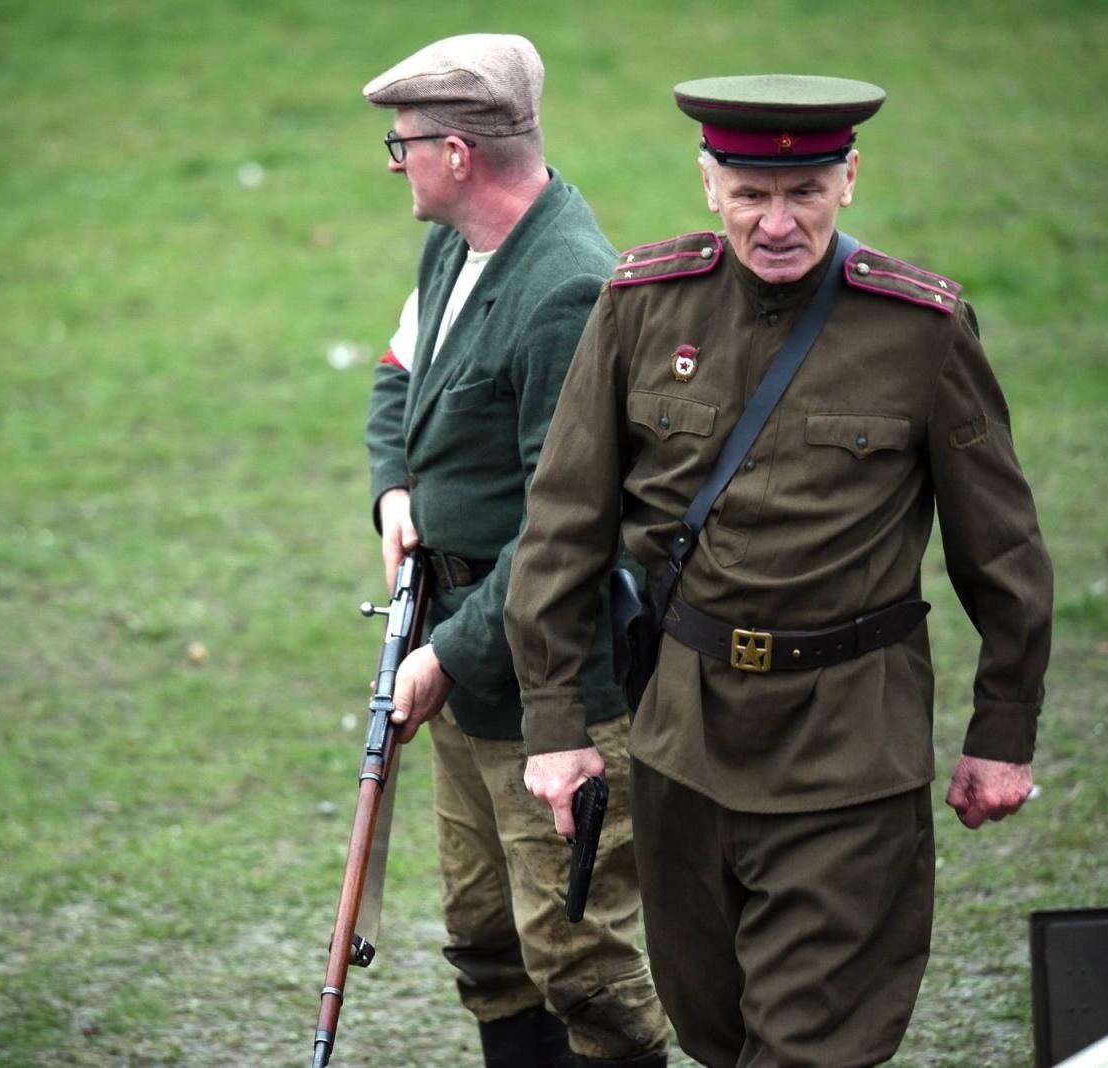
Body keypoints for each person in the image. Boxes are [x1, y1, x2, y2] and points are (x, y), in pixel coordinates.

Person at [507, 73, 1054, 1067]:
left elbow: (1001, 547)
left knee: (809, 1048)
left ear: (848, 179)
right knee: (716, 1034)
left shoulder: (920, 331)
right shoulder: (639, 306)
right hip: (683, 744)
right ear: (709, 183)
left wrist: (1001, 732)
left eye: (803, 192)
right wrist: (554, 724)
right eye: (751, 192)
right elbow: (562, 522)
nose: (776, 222)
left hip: (848, 748)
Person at [359, 33, 671, 1068]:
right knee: (488, 946)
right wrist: (394, 489)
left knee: (582, 971)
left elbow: (563, 531)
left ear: (456, 151)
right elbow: (399, 373)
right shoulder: (456, 244)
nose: (394, 163)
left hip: (551, 689)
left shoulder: (564, 292)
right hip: (457, 660)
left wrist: (446, 656)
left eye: (401, 145)